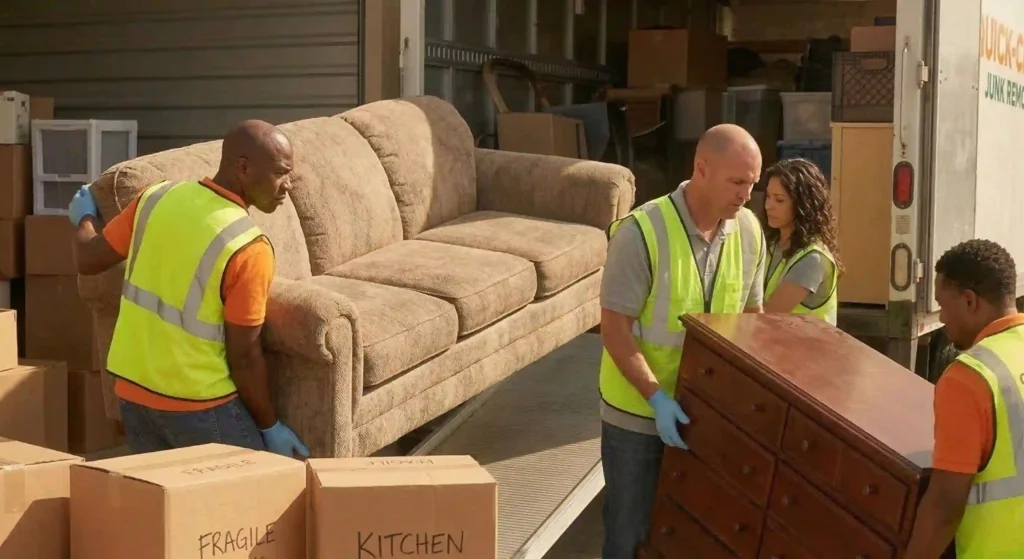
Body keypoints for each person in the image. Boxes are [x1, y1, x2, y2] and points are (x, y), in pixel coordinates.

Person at [69, 120, 310, 459]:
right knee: (258, 499)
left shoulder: (154, 198)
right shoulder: (249, 247)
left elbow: (88, 258)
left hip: (132, 397)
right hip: (199, 407)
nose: (288, 186)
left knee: (163, 505)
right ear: (243, 168)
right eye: (280, 174)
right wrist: (270, 426)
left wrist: (84, 218)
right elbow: (244, 356)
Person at [598, 124, 766, 558]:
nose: (746, 195)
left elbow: (752, 321)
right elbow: (614, 328)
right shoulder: (641, 232)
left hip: (708, 413)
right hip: (638, 415)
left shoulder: (748, 231)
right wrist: (656, 399)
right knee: (630, 539)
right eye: (737, 182)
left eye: (752, 184)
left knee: (691, 538)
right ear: (702, 169)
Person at [905, 239, 1024, 558]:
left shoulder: (969, 377)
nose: (942, 318)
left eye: (943, 304)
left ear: (970, 301)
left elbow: (945, 504)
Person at [761, 158, 842, 324]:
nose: (769, 205)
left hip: (805, 349)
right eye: (768, 197)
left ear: (803, 204)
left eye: (779, 200)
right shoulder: (771, 244)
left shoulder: (813, 259)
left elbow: (768, 317)